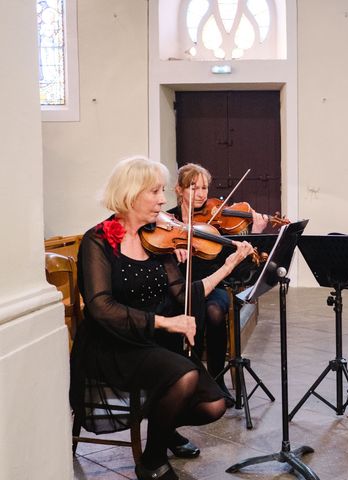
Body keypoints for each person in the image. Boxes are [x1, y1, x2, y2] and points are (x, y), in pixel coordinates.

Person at [69, 156, 255, 480]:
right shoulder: (98, 241)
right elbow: (101, 308)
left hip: (155, 341)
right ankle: (152, 461)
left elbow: (183, 294)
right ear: (130, 194)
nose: (162, 200)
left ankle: (162, 423)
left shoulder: (156, 239)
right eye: (154, 192)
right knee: (183, 377)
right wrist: (166, 323)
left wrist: (229, 266)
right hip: (114, 343)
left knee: (215, 406)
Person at [167, 163, 268, 398]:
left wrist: (255, 233)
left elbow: (242, 267)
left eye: (204, 188)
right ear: (179, 190)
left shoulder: (216, 222)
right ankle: (188, 376)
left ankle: (215, 378)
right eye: (194, 188)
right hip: (179, 286)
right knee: (193, 305)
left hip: (214, 285)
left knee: (213, 310)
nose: (202, 194)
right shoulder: (168, 220)